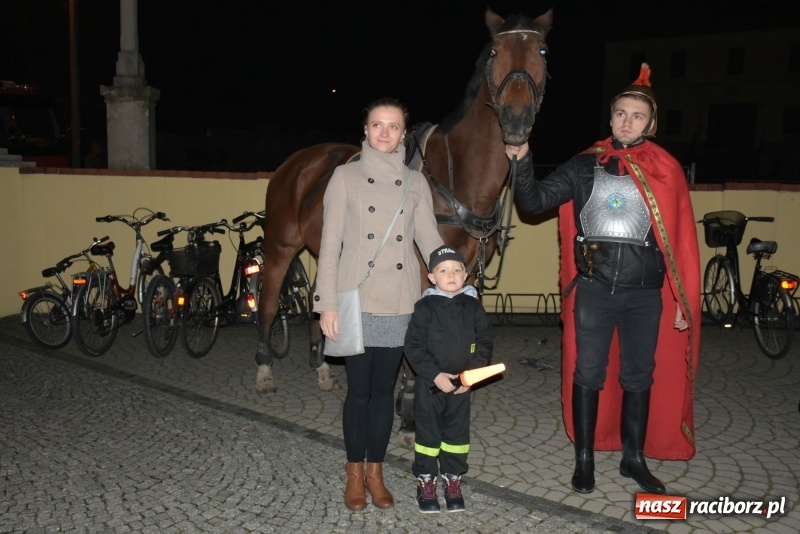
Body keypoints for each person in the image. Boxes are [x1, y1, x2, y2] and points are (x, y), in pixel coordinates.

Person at [506, 64, 701, 495]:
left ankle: (633, 459)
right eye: (620, 114)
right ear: (610, 118)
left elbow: (679, 240)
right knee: (589, 373)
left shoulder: (665, 169)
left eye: (637, 115)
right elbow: (534, 200)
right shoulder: (582, 166)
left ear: (651, 123)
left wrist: (682, 302)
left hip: (645, 296)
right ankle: (585, 458)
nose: (627, 121)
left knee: (638, 375)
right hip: (595, 291)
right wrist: (521, 161)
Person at [314, 97, 443, 511]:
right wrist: (326, 303)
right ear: (365, 131)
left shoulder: (415, 182)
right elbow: (329, 244)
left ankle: (376, 472)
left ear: (405, 134)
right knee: (359, 391)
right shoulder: (345, 177)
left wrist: (453, 273)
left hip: (398, 302)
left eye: (392, 126)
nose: (384, 133)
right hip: (355, 299)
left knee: (384, 392)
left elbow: (429, 240)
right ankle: (355, 472)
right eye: (376, 125)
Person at [404, 245, 492, 513]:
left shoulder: (473, 307)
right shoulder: (424, 308)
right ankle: (426, 479)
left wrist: (470, 376)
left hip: (461, 386)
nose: (450, 275)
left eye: (456, 270)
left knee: (457, 433)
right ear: (432, 277)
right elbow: (413, 347)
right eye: (443, 270)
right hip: (430, 385)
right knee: (428, 434)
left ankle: (452, 479)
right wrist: (433, 374)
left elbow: (484, 342)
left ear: (465, 275)